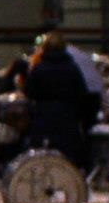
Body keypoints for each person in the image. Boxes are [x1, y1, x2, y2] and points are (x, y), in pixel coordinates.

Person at [23, 32, 92, 166]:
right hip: (67, 119)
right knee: (68, 161)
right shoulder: (72, 68)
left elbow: (29, 93)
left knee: (40, 159)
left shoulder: (38, 69)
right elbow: (82, 93)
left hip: (43, 119)